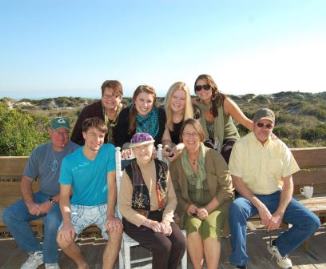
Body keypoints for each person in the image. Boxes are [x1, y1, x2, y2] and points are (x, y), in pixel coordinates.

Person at [228, 108, 321, 269]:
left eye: (268, 125)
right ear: (253, 125)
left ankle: (280, 247)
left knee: (312, 222)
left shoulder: (280, 147)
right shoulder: (241, 145)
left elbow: (288, 183)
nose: (264, 128)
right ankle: (239, 261)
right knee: (236, 208)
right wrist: (260, 206)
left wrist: (279, 213)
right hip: (249, 197)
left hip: (275, 195)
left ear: (273, 127)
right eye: (260, 124)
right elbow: (237, 181)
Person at [3, 117, 79, 269]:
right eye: (58, 132)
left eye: (66, 132)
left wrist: (50, 203)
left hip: (66, 199)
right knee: (9, 214)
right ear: (50, 132)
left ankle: (50, 260)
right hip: (42, 195)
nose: (62, 136)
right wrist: (31, 203)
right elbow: (26, 181)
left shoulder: (76, 152)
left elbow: (75, 187)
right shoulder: (40, 151)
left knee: (51, 220)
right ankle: (36, 252)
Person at [57, 117, 123, 269]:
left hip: (104, 205)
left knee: (116, 230)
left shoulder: (108, 151)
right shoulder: (69, 161)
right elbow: (64, 196)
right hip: (79, 207)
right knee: (62, 239)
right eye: (92, 134)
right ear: (84, 135)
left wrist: (111, 215)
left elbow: (112, 186)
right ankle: (82, 264)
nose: (97, 139)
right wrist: (67, 222)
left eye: (101, 135)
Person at [169, 119, 234, 269]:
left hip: (217, 204)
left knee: (210, 228)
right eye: (186, 134)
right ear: (182, 137)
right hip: (192, 206)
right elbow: (174, 190)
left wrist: (208, 209)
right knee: (193, 227)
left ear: (201, 136)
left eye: (194, 134)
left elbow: (227, 188)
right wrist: (187, 207)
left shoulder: (214, 156)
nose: (190, 138)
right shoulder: (177, 162)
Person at [119, 132, 186, 269]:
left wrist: (166, 221)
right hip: (136, 219)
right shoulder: (129, 172)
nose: (142, 150)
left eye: (146, 146)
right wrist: (148, 223)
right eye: (138, 147)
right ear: (132, 150)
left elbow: (172, 199)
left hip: (160, 215)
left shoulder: (163, 167)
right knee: (163, 246)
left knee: (180, 243)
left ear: (153, 148)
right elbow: (124, 207)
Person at [193, 74, 253, 163]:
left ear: (212, 87)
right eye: (198, 88)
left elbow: (245, 121)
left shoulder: (224, 102)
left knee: (226, 154)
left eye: (206, 87)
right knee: (204, 157)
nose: (202, 90)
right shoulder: (195, 103)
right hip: (208, 139)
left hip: (229, 138)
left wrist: (266, 132)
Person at [71, 80, 124, 145]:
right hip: (93, 152)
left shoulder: (126, 113)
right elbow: (75, 138)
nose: (110, 99)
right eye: (107, 96)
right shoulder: (89, 111)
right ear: (102, 96)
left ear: (121, 98)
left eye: (114, 96)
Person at [113, 84, 166, 149]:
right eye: (141, 100)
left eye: (149, 101)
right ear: (135, 100)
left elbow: (165, 140)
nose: (145, 105)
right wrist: (140, 146)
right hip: (131, 155)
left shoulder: (160, 114)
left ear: (153, 103)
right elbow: (120, 142)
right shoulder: (126, 114)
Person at [162, 81, 193, 161]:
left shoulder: (192, 116)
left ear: (186, 101)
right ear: (169, 97)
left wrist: (181, 146)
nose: (177, 101)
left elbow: (195, 140)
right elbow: (166, 140)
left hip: (186, 155)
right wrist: (167, 147)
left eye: (182, 99)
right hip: (166, 155)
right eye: (175, 97)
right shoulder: (161, 113)